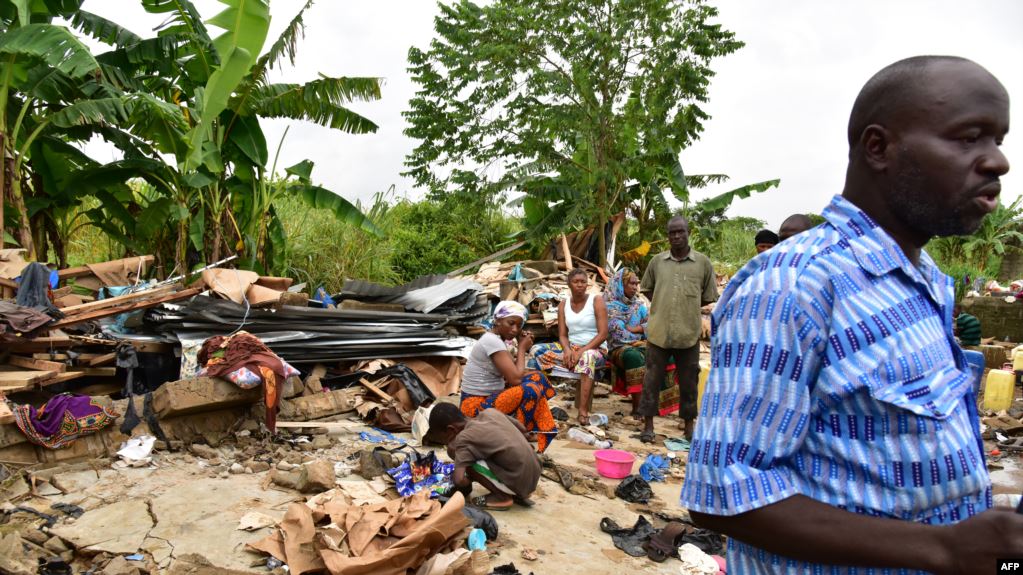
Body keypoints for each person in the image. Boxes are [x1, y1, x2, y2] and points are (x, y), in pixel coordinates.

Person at [681, 56, 1023, 573]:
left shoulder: (924, 279)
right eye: (968, 137)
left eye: (998, 139)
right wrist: (942, 549)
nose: (997, 161)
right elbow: (723, 491)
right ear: (879, 148)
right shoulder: (796, 284)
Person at [638, 215, 717, 443]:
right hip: (658, 333)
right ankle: (648, 426)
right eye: (672, 233)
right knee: (651, 379)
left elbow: (707, 297)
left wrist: (685, 305)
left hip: (688, 334)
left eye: (680, 232)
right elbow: (648, 288)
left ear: (688, 232)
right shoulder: (657, 262)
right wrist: (663, 303)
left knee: (689, 381)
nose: (676, 236)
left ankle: (689, 426)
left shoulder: (702, 263)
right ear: (668, 235)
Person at [460, 301, 558, 452]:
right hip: (475, 407)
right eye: (511, 323)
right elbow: (515, 379)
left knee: (537, 377)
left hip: (489, 398)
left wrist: (520, 342)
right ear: (498, 320)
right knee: (531, 389)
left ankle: (528, 426)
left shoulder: (495, 339)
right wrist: (522, 348)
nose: (514, 329)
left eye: (519, 326)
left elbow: (513, 371)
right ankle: (518, 434)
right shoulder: (492, 341)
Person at [528, 268, 608, 424]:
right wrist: (567, 350)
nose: (580, 285)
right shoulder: (563, 304)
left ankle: (583, 411)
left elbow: (603, 334)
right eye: (576, 282)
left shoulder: (596, 301)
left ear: (587, 284)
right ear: (569, 284)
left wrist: (581, 351)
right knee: (536, 350)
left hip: (595, 348)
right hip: (571, 346)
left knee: (587, 357)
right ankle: (535, 402)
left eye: (583, 282)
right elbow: (563, 335)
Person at [430, 402, 540, 511]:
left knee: (460, 457)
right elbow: (522, 429)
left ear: (451, 430)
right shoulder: (490, 412)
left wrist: (468, 479)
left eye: (443, 439)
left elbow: (459, 480)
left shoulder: (463, 439)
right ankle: (516, 492)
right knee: (484, 452)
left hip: (519, 479)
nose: (445, 443)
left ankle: (501, 497)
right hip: (534, 474)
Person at [604, 268, 680, 418]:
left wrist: (636, 328)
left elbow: (652, 326)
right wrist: (641, 334)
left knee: (667, 356)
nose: (635, 287)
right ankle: (638, 407)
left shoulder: (639, 305)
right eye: (631, 283)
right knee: (635, 358)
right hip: (618, 348)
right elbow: (618, 334)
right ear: (620, 284)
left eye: (636, 284)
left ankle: (660, 404)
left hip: (641, 345)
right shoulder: (609, 306)